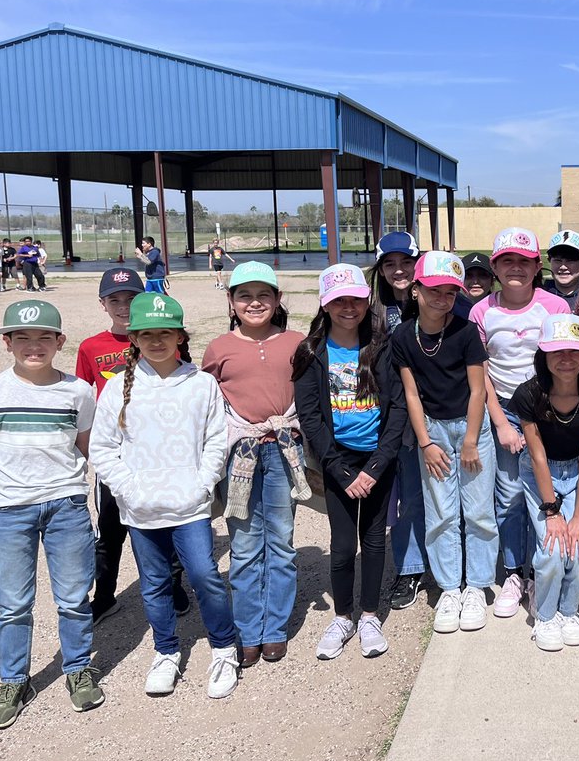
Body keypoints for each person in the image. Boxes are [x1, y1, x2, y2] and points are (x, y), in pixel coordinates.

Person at [89, 292, 240, 699]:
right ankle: (166, 651)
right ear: (134, 338)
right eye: (147, 334)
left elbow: (215, 440)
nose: (157, 341)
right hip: (141, 508)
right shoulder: (118, 387)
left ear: (180, 337)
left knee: (205, 576)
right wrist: (129, 489)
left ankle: (224, 647)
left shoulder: (202, 384)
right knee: (154, 583)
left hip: (189, 504)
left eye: (166, 333)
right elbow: (102, 447)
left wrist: (202, 483)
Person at [0, 299, 104, 729]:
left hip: (66, 504)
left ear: (60, 342)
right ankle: (14, 679)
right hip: (11, 508)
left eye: (45, 337)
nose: (34, 346)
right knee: (12, 604)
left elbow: (84, 444)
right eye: (22, 338)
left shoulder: (78, 392)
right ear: (7, 343)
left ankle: (78, 667)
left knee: (74, 598)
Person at [294, 264, 408, 659]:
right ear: (325, 305)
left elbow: (397, 411)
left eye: (355, 300)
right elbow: (309, 416)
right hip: (337, 460)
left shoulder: (384, 346)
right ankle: (344, 615)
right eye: (339, 300)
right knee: (342, 545)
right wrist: (341, 471)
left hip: (377, 459)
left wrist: (375, 467)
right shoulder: (311, 351)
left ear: (366, 302)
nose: (348, 307)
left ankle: (370, 615)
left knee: (375, 540)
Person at [203, 262, 308, 667]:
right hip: (240, 453)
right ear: (231, 302)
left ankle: (275, 629)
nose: (255, 303)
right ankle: (249, 629)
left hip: (285, 449)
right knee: (244, 545)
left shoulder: (298, 342)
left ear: (278, 299)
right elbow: (208, 400)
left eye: (264, 294)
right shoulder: (218, 348)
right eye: (244, 295)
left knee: (280, 541)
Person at [76, 268, 190, 624]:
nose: (123, 306)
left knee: (164, 523)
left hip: (157, 452)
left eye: (130, 299)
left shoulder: (161, 338)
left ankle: (173, 587)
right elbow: (81, 398)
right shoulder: (91, 347)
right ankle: (105, 595)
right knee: (109, 531)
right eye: (115, 300)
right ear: (103, 304)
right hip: (116, 455)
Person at [394, 251, 496, 634]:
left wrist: (470, 440)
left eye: (451, 292)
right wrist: (425, 443)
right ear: (416, 290)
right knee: (441, 513)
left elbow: (477, 391)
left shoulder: (466, 332)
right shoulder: (403, 336)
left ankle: (477, 586)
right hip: (433, 431)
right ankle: (450, 587)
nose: (443, 299)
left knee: (479, 512)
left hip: (472, 428)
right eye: (435, 291)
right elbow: (412, 394)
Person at [471, 228, 572, 618]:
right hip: (507, 412)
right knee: (510, 494)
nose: (516, 268)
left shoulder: (555, 308)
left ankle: (539, 569)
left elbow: (567, 359)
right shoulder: (483, 311)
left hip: (548, 409)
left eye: (524, 262)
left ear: (536, 267)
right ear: (495, 267)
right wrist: (500, 422)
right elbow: (481, 373)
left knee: (545, 491)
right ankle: (515, 572)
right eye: (507, 261)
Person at [513, 314, 579, 650]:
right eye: (557, 351)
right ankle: (544, 615)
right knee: (552, 547)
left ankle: (570, 609)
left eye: (574, 351)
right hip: (539, 473)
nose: (566, 359)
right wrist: (553, 512)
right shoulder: (529, 394)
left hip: (577, 471)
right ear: (543, 355)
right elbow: (537, 456)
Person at [369, 231, 427, 610]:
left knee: (431, 495)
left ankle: (445, 564)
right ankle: (408, 567)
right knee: (402, 497)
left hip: (431, 411)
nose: (399, 270)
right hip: (387, 416)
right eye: (389, 264)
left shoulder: (436, 299)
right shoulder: (370, 309)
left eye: (406, 262)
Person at [544, 230, 579, 310]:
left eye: (570, 260)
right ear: (549, 261)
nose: (563, 267)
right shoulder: (537, 295)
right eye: (557, 260)